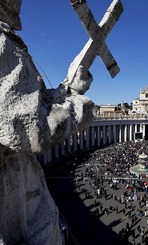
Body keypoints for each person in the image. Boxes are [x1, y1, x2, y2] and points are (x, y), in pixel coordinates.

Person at [0, 0, 95, 244]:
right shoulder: (2, 44)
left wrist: (68, 88)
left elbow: (33, 104)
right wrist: (78, 109)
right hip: (17, 202)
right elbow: (34, 130)